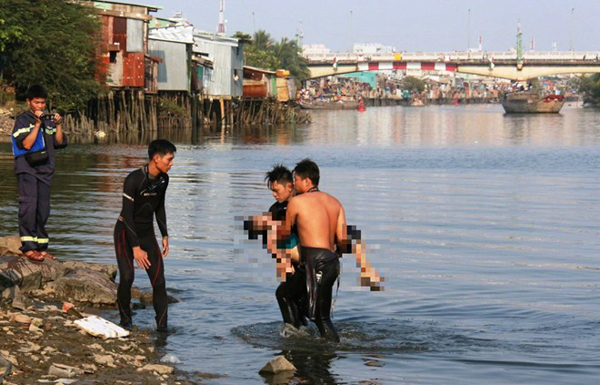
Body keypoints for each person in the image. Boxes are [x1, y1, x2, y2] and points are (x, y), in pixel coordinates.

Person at [271, 159, 382, 342]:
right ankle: (306, 340)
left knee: (304, 307)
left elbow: (283, 236)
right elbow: (344, 242)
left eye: (296, 180)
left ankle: (307, 344)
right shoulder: (335, 202)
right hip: (331, 262)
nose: (294, 184)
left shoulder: (297, 202)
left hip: (313, 262)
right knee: (304, 305)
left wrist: (285, 259)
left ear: (307, 181)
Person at [114, 139, 176, 332]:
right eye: (169, 159)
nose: (171, 163)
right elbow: (127, 215)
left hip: (147, 233)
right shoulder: (133, 180)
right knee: (127, 276)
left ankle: (163, 330)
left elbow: (159, 207)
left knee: (159, 280)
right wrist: (136, 248)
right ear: (156, 158)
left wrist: (164, 234)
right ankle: (125, 322)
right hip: (125, 232)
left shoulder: (163, 179)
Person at [11, 85, 67, 261]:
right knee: (29, 206)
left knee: (43, 209)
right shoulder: (22, 120)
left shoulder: (49, 120)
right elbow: (26, 144)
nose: (40, 106)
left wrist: (58, 125)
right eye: (37, 102)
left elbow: (59, 143)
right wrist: (37, 124)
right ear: (29, 102)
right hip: (27, 169)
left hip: (45, 170)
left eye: (43, 103)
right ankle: (28, 247)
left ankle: (41, 247)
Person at [264, 165, 308, 330]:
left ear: (290, 186)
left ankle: (299, 334)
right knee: (287, 297)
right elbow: (273, 240)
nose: (274, 194)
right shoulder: (275, 210)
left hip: (310, 259)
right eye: (272, 191)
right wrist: (283, 264)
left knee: (306, 306)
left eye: (276, 190)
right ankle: (296, 332)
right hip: (290, 261)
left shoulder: (306, 203)